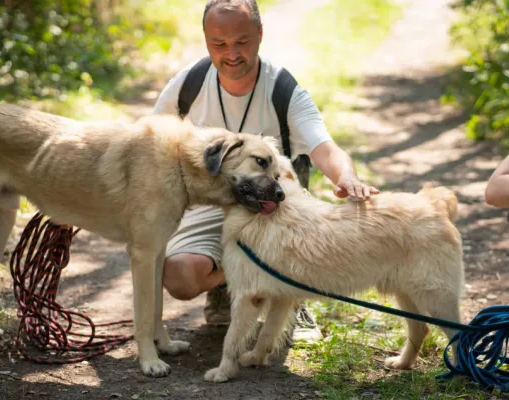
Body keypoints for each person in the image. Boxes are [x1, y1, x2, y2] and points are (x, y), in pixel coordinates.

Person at [152, 0, 380, 340]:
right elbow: (149, 142)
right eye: (219, 44)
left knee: (295, 238)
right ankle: (234, 282)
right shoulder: (189, 84)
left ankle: (290, 293)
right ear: (206, 40)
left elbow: (325, 148)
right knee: (180, 278)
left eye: (242, 41)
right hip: (211, 200)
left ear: (260, 34)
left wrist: (346, 176)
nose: (231, 53)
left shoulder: (283, 90)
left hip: (272, 202)